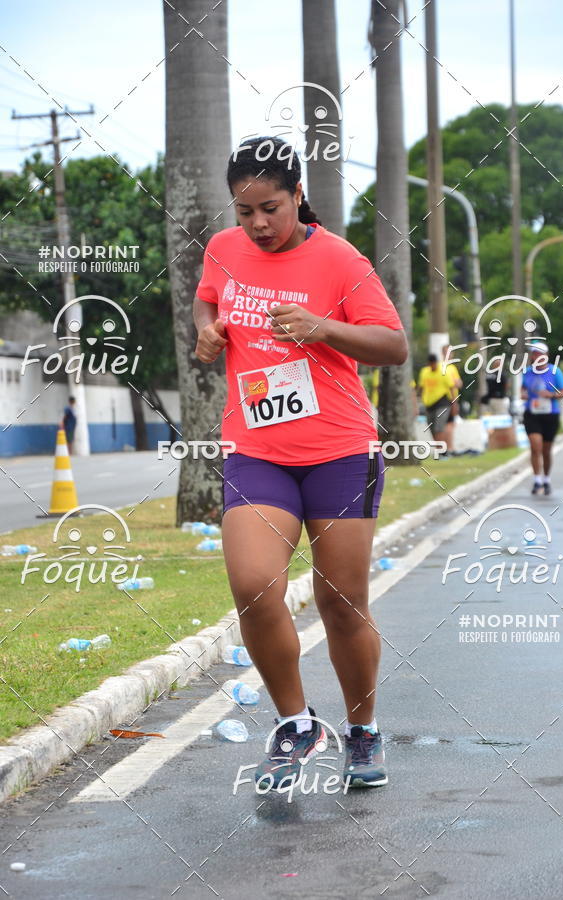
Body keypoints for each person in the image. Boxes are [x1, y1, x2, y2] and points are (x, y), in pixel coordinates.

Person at [194, 136, 407, 791]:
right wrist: (205, 326)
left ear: (298, 196)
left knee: (340, 602)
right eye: (244, 210)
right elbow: (208, 297)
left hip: (339, 449)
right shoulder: (225, 250)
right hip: (258, 449)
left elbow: (393, 345)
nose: (257, 223)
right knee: (254, 585)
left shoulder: (340, 261)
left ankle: (364, 730)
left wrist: (322, 327)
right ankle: (295, 725)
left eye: (271, 208)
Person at [521, 342, 563, 495]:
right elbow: (523, 389)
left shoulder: (555, 371)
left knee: (546, 451)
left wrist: (552, 395)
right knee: (535, 447)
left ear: (546, 356)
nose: (537, 356)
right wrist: (523, 394)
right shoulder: (527, 372)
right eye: (534, 354)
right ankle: (537, 480)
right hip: (532, 413)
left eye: (540, 354)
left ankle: (546, 479)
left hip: (550, 414)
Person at [417, 353, 454, 445]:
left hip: (443, 402)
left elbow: (452, 387)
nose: (432, 366)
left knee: (439, 427)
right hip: (429, 404)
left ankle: (441, 452)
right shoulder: (424, 372)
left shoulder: (443, 372)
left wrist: (454, 404)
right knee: (432, 428)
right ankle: (441, 448)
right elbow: (420, 387)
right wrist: (418, 400)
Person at [441, 344, 463, 454]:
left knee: (447, 424)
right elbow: (455, 384)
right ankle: (449, 448)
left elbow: (459, 384)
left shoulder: (451, 368)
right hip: (449, 399)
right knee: (448, 424)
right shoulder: (446, 368)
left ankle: (448, 447)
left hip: (451, 398)